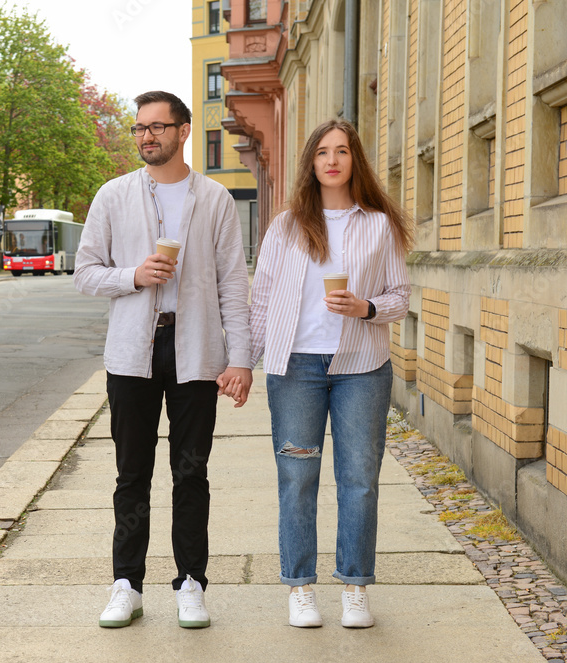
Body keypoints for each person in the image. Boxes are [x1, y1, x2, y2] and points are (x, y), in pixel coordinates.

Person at [74, 90, 253, 630]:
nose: (146, 136)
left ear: (183, 130)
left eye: (157, 126)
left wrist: (240, 358)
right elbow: (84, 273)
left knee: (190, 473)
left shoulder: (215, 199)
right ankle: (126, 583)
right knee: (132, 474)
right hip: (133, 352)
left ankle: (191, 582)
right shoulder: (113, 195)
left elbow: (233, 285)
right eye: (138, 128)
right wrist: (134, 275)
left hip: (196, 353)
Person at [246, 118, 413, 629]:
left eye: (341, 151)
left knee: (360, 480)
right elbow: (263, 298)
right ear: (311, 163)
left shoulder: (379, 224)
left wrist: (365, 308)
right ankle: (300, 588)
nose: (332, 160)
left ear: (353, 159)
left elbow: (399, 298)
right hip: (296, 368)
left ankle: (355, 587)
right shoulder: (287, 225)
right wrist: (244, 364)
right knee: (298, 478)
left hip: (362, 368)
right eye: (322, 152)